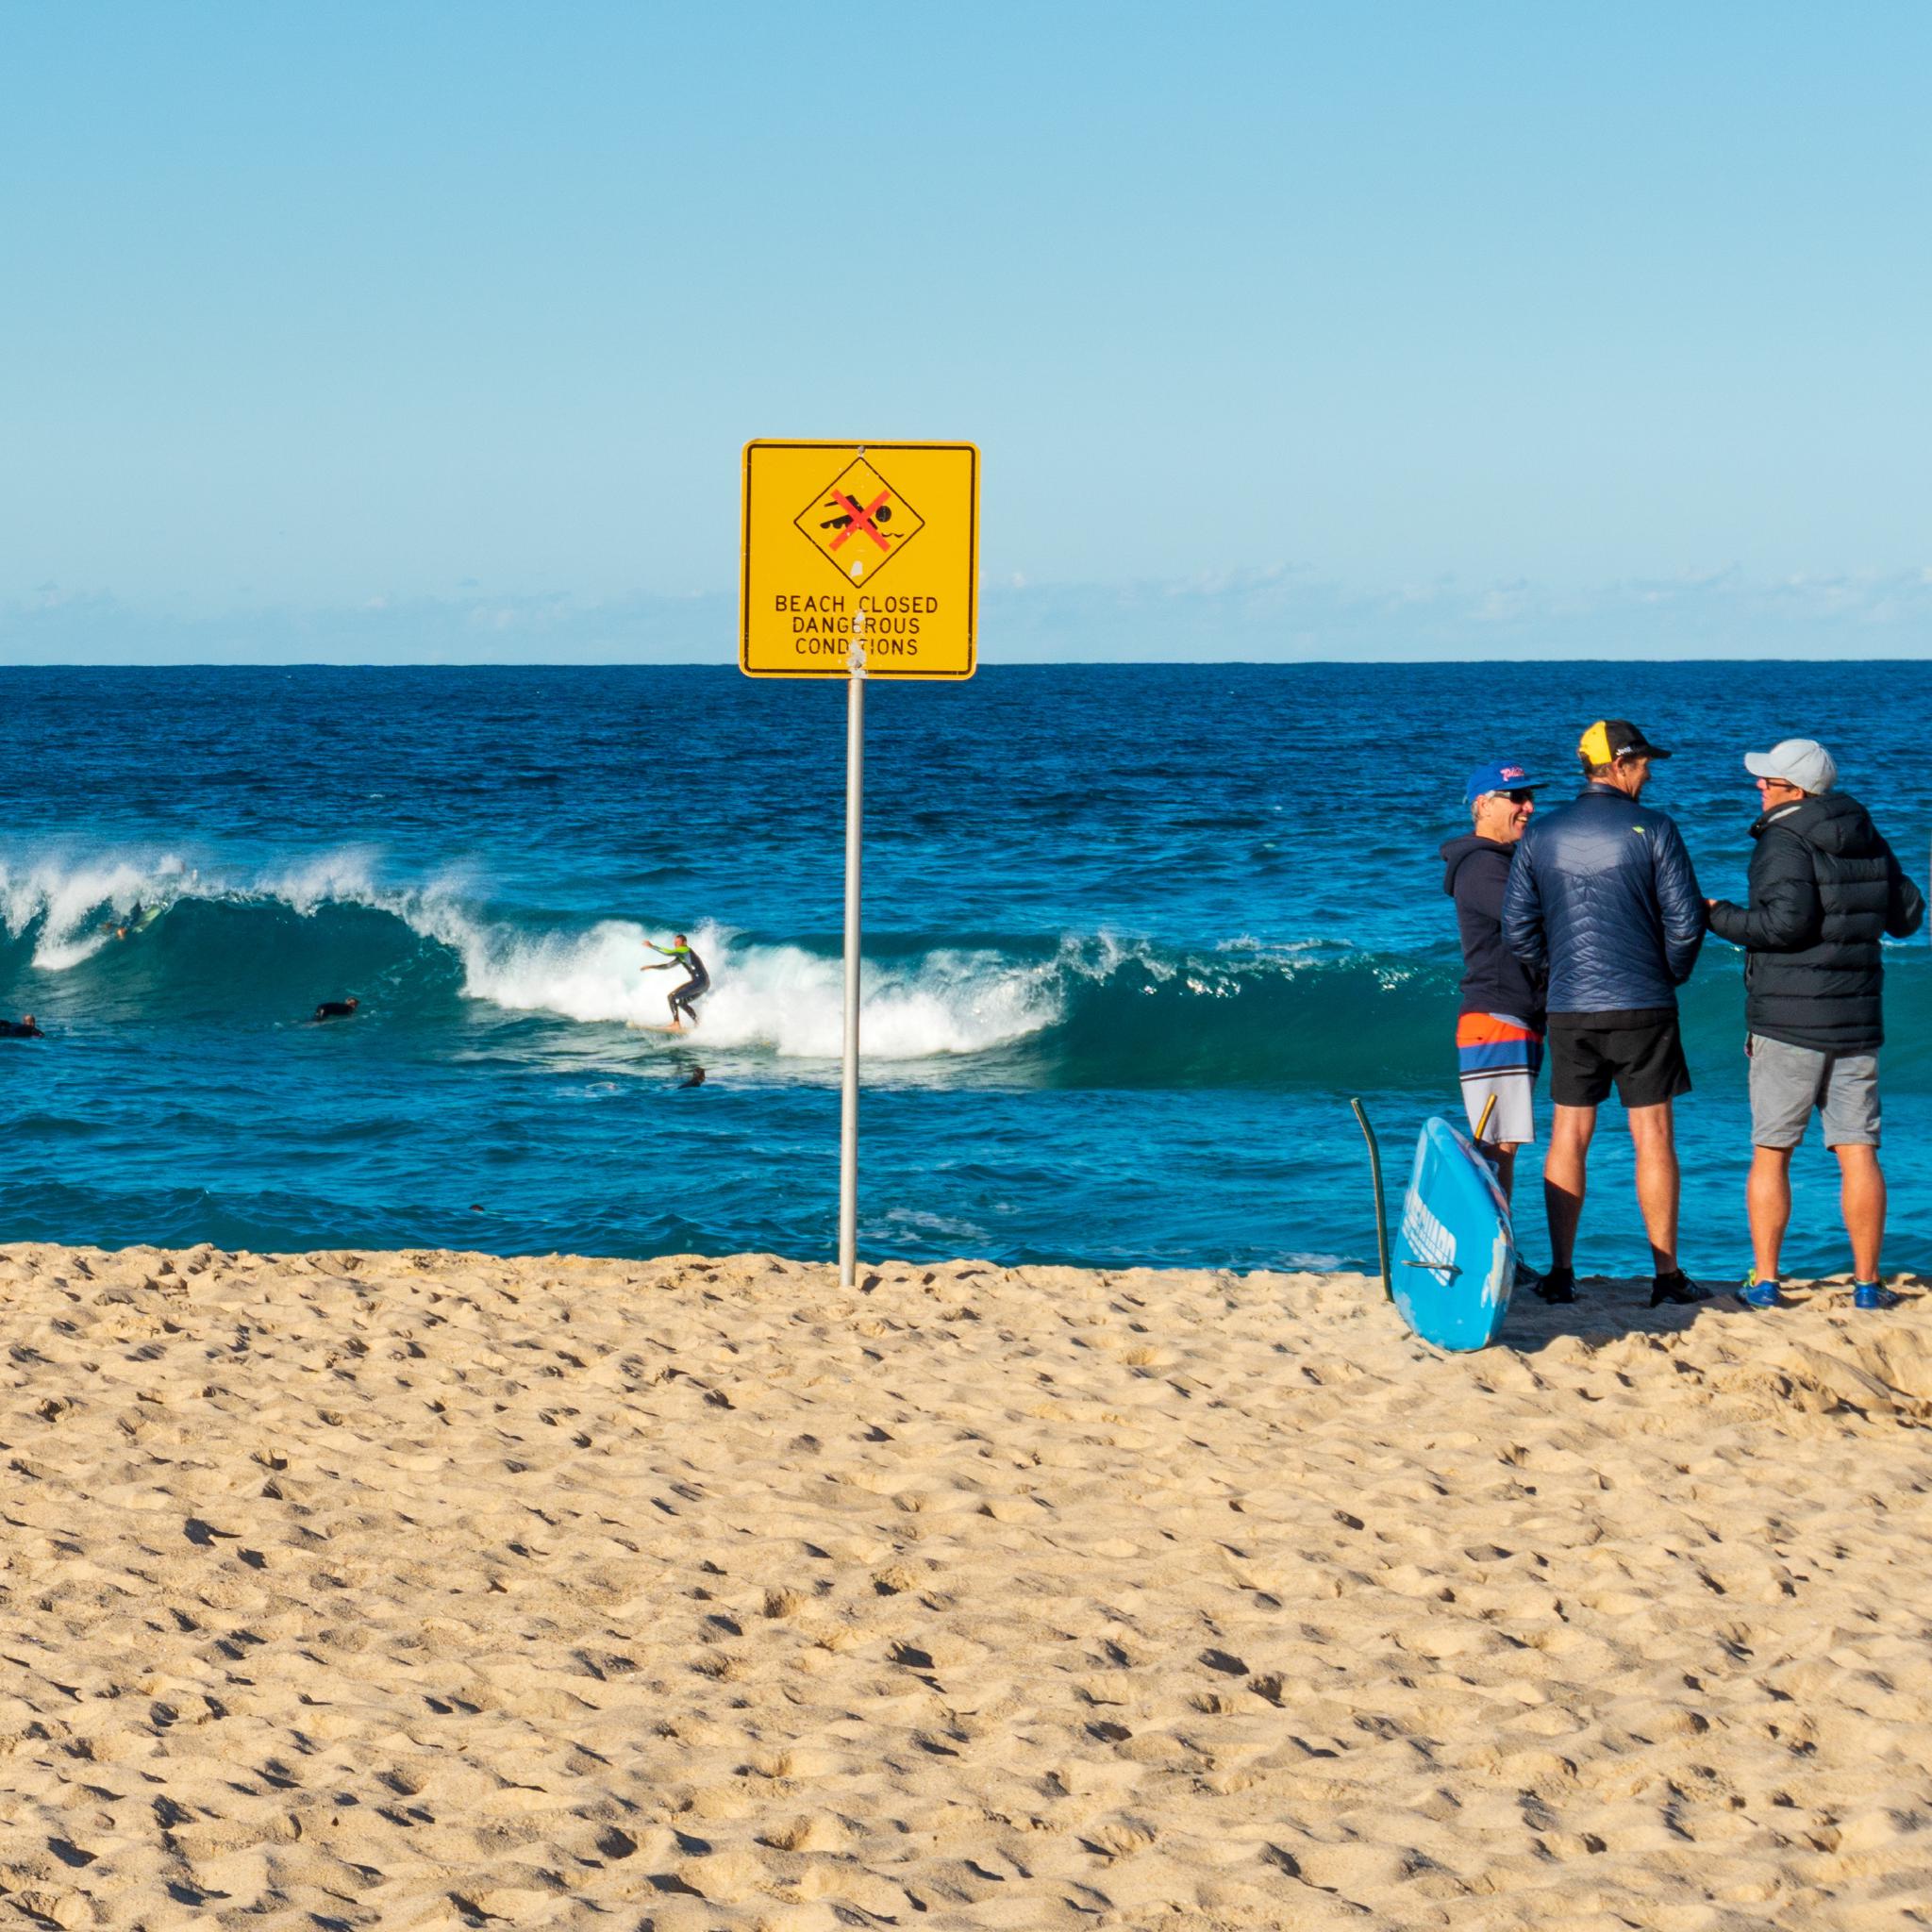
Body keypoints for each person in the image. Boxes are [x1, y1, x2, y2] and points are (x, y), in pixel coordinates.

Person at [1705, 738, 1924, 1311]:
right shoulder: (1865, 830)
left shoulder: (1783, 838)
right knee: (1858, 1150)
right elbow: (1907, 915)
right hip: (1856, 1017)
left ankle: (1768, 1281)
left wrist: (1717, 916)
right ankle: (1868, 1285)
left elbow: (1783, 926)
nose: (1759, 787)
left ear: (1794, 792)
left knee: (1772, 1149)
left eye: (1768, 782)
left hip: (1789, 1020)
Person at [1503, 719, 1707, 1307]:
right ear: (1617, 766)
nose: (1648, 773)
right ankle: (1666, 1276)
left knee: (1569, 1132)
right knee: (1653, 1134)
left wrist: (1559, 970)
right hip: (1643, 1002)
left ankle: (1561, 1273)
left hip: (1572, 1005)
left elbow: (1518, 929)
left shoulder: (1542, 834)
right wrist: (1667, 972)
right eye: (1642, 763)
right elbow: (1687, 921)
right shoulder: (1656, 828)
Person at [1441, 758, 1548, 1208]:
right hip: (1496, 1015)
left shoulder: (1508, 861)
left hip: (1515, 1015)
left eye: (1530, 796)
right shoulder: (1482, 865)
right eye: (1516, 798)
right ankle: (1491, 1248)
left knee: (1503, 1145)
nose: (1528, 806)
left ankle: (1500, 1247)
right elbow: (1527, 919)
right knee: (1495, 1146)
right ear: (1483, 804)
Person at [642, 933, 709, 1030]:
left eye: (678, 942)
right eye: (675, 943)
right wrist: (652, 966)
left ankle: (676, 1024)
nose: (676, 944)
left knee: (672, 996)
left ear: (684, 943)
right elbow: (667, 966)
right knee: (681, 1002)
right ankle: (698, 1023)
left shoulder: (685, 949)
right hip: (704, 983)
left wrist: (652, 946)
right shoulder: (682, 956)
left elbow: (668, 953)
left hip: (699, 981)